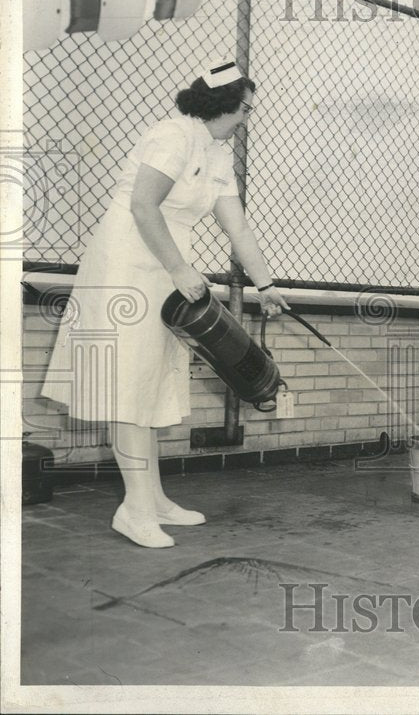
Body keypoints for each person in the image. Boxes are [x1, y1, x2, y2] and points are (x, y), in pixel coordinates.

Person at [41, 62, 289, 549]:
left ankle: (152, 500)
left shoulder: (217, 154)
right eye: (244, 109)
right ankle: (132, 510)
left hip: (169, 264)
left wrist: (265, 285)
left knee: (151, 384)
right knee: (128, 384)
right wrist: (179, 268)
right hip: (128, 263)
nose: (247, 119)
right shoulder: (172, 135)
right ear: (222, 105)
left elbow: (236, 226)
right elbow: (142, 206)